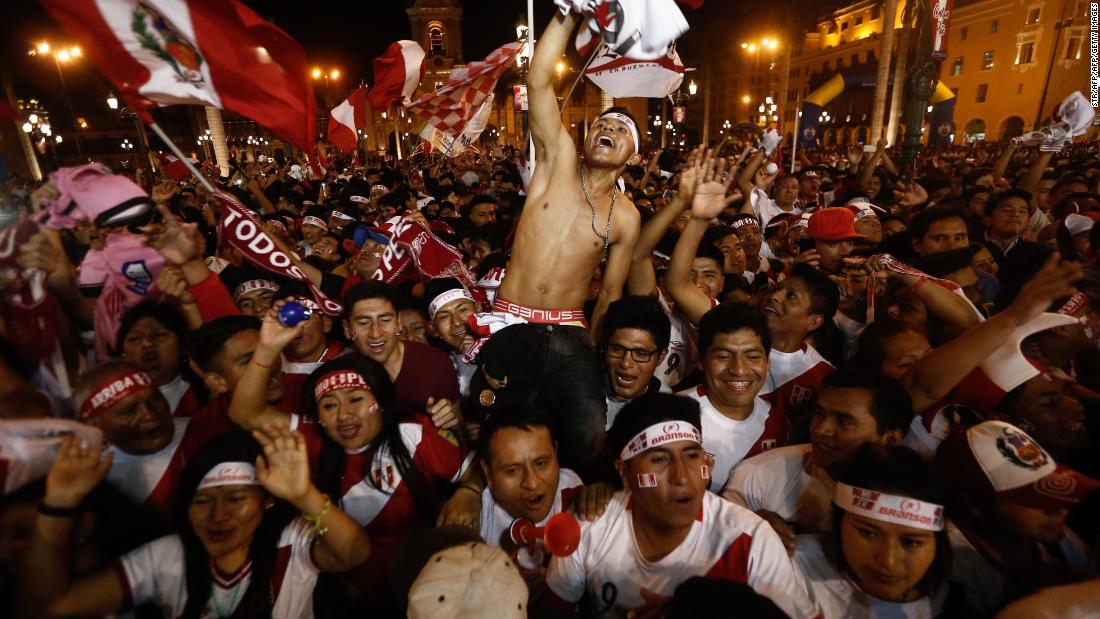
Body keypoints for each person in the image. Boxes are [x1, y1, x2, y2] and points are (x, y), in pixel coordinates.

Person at [228, 309, 473, 610]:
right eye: (329, 405)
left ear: (380, 404)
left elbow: (477, 469)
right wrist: (266, 349)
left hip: (425, 590)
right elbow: (244, 413)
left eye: (356, 399)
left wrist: (468, 493)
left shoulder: (414, 435)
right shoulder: (312, 438)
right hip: (346, 596)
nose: (344, 415)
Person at [489, 11, 642, 469]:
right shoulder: (555, 162)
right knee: (497, 436)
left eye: (621, 130)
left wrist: (592, 347)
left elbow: (611, 292)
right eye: (602, 125)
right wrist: (568, 11)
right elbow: (537, 82)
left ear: (633, 157)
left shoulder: (627, 217)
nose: (607, 130)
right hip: (511, 323)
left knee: (588, 438)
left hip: (571, 334)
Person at [14, 428, 370, 618]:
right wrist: (59, 504)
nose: (218, 516)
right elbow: (51, 607)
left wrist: (302, 493)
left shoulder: (291, 542)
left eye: (236, 499)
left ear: (267, 501)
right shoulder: (168, 557)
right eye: (202, 502)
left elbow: (354, 554)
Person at [541, 393, 818, 619]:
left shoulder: (751, 541)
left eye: (691, 455)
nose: (682, 477)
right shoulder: (590, 523)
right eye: (660, 460)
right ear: (624, 473)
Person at [723, 369, 912, 545]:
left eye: (843, 421)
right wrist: (748, 531)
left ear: (889, 440)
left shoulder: (915, 500)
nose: (821, 429)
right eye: (819, 414)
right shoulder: (757, 476)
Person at [936, 420, 1099, 615]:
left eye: (1054, 490)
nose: (1059, 509)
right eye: (1033, 498)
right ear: (972, 504)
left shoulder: (1056, 537)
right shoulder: (946, 567)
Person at [793, 445, 953, 618]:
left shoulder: (950, 604)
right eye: (868, 533)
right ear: (839, 523)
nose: (888, 561)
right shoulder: (791, 567)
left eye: (911, 542)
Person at [679, 304, 788, 491]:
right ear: (702, 361)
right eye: (723, 356)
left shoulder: (778, 424)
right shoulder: (673, 416)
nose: (739, 370)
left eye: (752, 356)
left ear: (768, 361)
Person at [477, 407, 583, 562]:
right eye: (512, 470)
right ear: (487, 472)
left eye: (541, 463)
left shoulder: (575, 491)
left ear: (556, 453)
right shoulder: (476, 519)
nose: (532, 483)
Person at [341, 281, 460, 410]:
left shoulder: (436, 363)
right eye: (364, 323)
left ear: (398, 323)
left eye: (385, 320)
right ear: (347, 329)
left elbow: (460, 423)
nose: (375, 333)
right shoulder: (339, 378)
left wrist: (453, 421)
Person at [759, 263, 838, 425]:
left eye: (791, 296)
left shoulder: (822, 375)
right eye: (776, 289)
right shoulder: (731, 340)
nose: (775, 296)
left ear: (813, 322)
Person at [115, 301, 205, 418]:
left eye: (159, 335)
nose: (147, 343)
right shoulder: (110, 404)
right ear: (123, 353)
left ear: (183, 346)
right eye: (135, 338)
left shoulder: (206, 395)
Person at [602, 296, 671, 429]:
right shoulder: (577, 394)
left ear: (661, 356)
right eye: (617, 349)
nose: (626, 363)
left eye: (641, 353)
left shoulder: (669, 411)